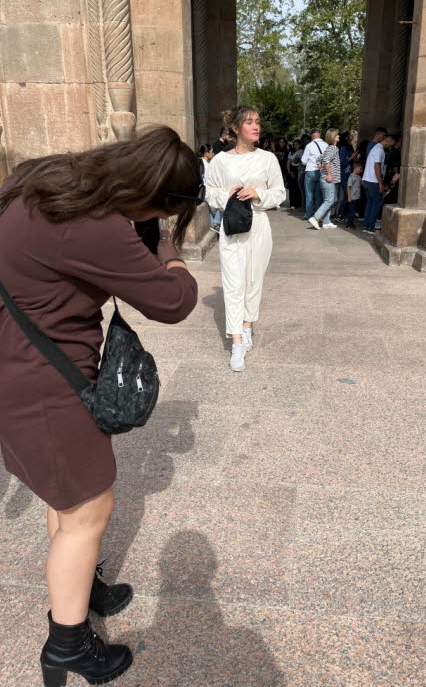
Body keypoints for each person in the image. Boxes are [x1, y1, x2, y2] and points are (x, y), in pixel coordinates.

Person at [0, 127, 200, 685]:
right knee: (89, 510)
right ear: (150, 196)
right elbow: (172, 302)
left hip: (17, 368)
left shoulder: (40, 177)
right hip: (45, 388)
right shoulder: (96, 225)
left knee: (68, 501)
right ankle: (68, 646)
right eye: (161, 208)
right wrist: (170, 253)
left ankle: (81, 586)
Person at [205, 106, 285, 372]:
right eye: (249, 122)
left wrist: (258, 193)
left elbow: (279, 193)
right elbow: (210, 193)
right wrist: (227, 194)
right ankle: (236, 341)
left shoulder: (268, 159)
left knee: (253, 280)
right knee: (233, 281)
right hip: (232, 226)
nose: (256, 127)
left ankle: (248, 326)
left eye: (258, 122)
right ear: (236, 128)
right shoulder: (220, 161)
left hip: (259, 226)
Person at [362, 133, 396, 234]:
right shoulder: (379, 150)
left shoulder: (375, 148)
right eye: (391, 144)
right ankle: (370, 226)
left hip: (367, 179)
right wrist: (380, 183)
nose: (390, 147)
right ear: (388, 141)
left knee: (370, 202)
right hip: (373, 180)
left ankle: (366, 224)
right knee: (376, 203)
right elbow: (377, 167)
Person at [308, 128, 340, 230]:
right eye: (337, 135)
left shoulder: (328, 148)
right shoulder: (334, 148)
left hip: (325, 179)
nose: (339, 136)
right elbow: (326, 160)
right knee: (329, 200)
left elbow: (319, 159)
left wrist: (321, 168)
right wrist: (329, 174)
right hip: (328, 179)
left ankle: (326, 222)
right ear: (333, 138)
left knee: (330, 200)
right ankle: (315, 218)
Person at [301, 128, 327, 220]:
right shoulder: (326, 145)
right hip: (322, 172)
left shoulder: (309, 146)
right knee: (319, 195)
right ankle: (317, 216)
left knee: (309, 195)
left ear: (311, 136)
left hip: (310, 172)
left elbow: (303, 161)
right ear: (319, 135)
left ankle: (309, 215)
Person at [198, 143, 220, 233]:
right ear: (206, 153)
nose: (213, 154)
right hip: (204, 191)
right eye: (211, 152)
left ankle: (214, 225)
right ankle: (216, 223)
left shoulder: (208, 163)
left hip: (209, 189)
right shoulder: (201, 163)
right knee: (220, 202)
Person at [336, 131, 355, 221]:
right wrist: (352, 157)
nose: (353, 137)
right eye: (350, 135)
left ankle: (343, 214)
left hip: (349, 173)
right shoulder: (343, 148)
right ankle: (340, 214)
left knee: (348, 195)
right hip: (344, 174)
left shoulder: (349, 147)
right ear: (346, 137)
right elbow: (342, 162)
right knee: (347, 195)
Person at [345, 160, 363, 229]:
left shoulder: (358, 177)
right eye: (360, 169)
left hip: (357, 197)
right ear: (356, 168)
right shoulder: (351, 177)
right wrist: (349, 197)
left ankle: (351, 223)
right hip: (352, 198)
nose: (361, 171)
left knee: (353, 212)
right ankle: (348, 224)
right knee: (351, 212)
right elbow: (348, 187)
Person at [287, 139, 302, 210]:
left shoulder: (302, 152)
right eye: (294, 144)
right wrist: (289, 172)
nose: (295, 146)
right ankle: (292, 203)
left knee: (298, 188)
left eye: (297, 144)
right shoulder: (291, 153)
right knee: (292, 188)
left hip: (299, 170)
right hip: (293, 170)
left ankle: (298, 204)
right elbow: (288, 163)